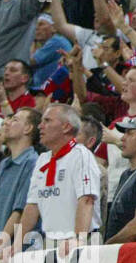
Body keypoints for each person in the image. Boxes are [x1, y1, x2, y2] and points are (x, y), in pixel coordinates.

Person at [18, 104, 101, 250]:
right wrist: (17, 243)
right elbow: (32, 206)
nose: (40, 126)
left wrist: (78, 240)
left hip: (81, 239)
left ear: (66, 127)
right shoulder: (43, 159)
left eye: (47, 121)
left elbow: (86, 200)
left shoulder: (80, 155)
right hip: (50, 240)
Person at [0, 108, 40, 252]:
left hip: (14, 252)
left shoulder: (33, 163)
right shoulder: (4, 164)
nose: (6, 123)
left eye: (14, 120)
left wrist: (0, 244)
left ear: (28, 128)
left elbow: (19, 211)